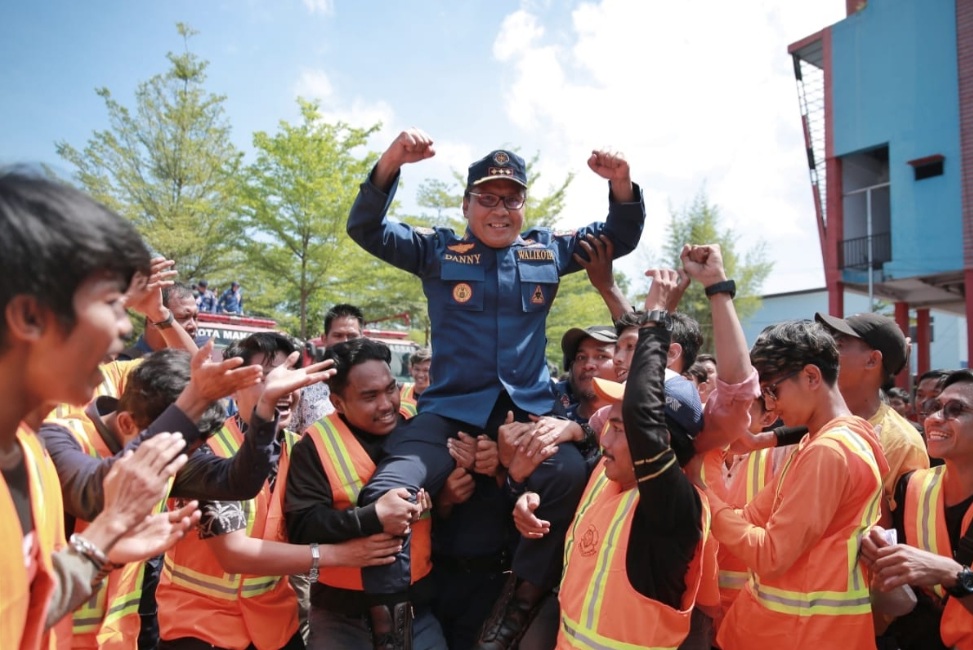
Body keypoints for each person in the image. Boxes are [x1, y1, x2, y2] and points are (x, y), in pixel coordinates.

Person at [346, 129, 645, 649]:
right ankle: (391, 627)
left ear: (523, 207)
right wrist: (392, 160)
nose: (500, 209)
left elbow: (620, 234)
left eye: (511, 199)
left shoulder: (548, 251)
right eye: (487, 198)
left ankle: (518, 607)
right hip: (449, 412)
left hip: (525, 412)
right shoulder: (437, 250)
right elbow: (365, 227)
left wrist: (620, 182)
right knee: (387, 491)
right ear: (467, 205)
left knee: (566, 473)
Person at [0, 172, 199, 649]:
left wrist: (99, 548)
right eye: (112, 303)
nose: (123, 330)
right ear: (29, 316)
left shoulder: (26, 451)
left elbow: (23, 608)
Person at [514, 269, 709, 648]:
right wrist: (526, 496)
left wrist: (656, 318)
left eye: (620, 427)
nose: (605, 436)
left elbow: (643, 416)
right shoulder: (607, 475)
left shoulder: (673, 507)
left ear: (660, 440)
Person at [156, 333, 387, 650]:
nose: (282, 388)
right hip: (200, 625)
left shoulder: (302, 450)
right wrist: (341, 556)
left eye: (289, 376)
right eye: (264, 378)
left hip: (274, 625)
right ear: (233, 387)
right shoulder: (207, 450)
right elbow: (234, 554)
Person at [701, 317, 888, 649]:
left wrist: (699, 491)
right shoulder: (835, 439)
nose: (771, 405)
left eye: (773, 391)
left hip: (799, 634)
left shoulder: (827, 452)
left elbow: (770, 556)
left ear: (811, 376)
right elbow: (750, 517)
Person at [284, 338, 446, 650]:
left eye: (390, 389)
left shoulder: (419, 424)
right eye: (369, 396)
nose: (386, 404)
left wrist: (448, 498)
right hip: (342, 618)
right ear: (337, 402)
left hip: (416, 611)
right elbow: (302, 525)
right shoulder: (315, 444)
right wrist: (371, 518)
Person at [861, 368, 973, 650]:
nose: (935, 418)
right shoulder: (912, 487)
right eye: (934, 406)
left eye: (956, 409)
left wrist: (951, 574)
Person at [815, 311, 929, 509]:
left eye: (839, 345)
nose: (826, 352)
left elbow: (898, 521)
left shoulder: (901, 442)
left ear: (872, 360)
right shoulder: (809, 418)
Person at [293, 303, 365, 433]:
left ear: (362, 339)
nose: (345, 342)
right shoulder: (303, 386)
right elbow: (287, 436)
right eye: (338, 335)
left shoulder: (376, 384)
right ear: (324, 339)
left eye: (352, 336)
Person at [118, 281, 206, 360]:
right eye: (183, 317)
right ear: (152, 320)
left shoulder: (202, 352)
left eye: (195, 317)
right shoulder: (126, 366)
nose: (193, 326)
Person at [399, 347, 432, 418]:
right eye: (417, 369)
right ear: (410, 369)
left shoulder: (439, 397)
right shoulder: (399, 390)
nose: (420, 375)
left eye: (426, 370)